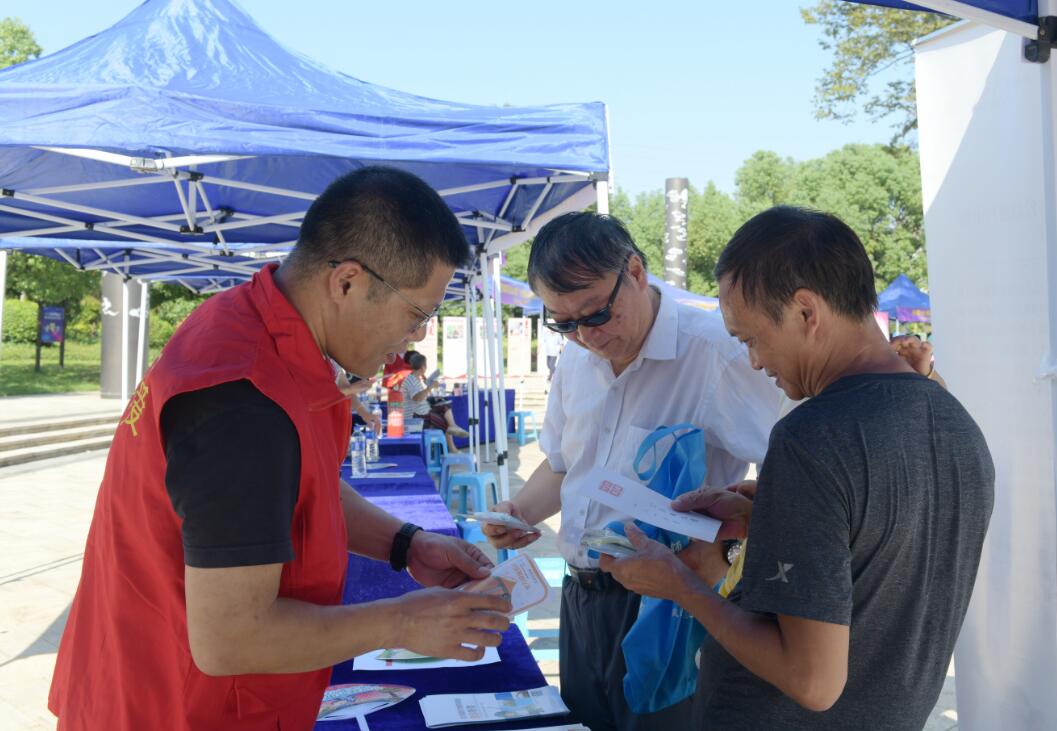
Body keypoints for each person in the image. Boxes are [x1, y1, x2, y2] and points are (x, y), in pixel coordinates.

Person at [49, 166, 512, 731]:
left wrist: (406, 543)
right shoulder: (241, 398)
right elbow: (231, 638)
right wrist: (401, 622)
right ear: (346, 282)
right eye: (417, 315)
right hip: (175, 707)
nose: (415, 339)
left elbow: (305, 484)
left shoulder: (257, 327)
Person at [599, 206, 994, 730]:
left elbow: (813, 681)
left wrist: (680, 585)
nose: (755, 362)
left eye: (751, 339)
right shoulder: (957, 424)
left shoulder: (811, 437)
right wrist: (768, 514)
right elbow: (880, 545)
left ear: (806, 311)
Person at [483, 212, 783, 731]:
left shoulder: (715, 353)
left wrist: (728, 555)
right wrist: (519, 512)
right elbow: (564, 465)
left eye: (596, 314)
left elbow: (794, 480)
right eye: (563, 323)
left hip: (668, 608)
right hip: (581, 599)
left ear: (636, 272)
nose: (586, 336)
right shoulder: (576, 359)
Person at [401, 351, 470, 449]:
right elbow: (417, 398)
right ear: (423, 367)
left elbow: (421, 397)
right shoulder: (411, 380)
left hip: (421, 413)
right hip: (415, 417)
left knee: (445, 406)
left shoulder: (415, 379)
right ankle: (452, 445)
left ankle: (453, 427)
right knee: (443, 419)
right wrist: (430, 387)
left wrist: (428, 386)